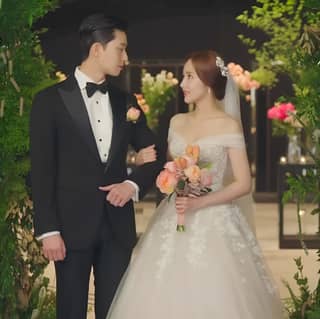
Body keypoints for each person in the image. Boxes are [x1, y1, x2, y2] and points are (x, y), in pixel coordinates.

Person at [105, 50, 284, 319]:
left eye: (189, 76)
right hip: (174, 215)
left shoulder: (228, 125)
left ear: (209, 81)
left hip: (215, 218)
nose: (182, 83)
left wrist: (201, 201)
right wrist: (156, 166)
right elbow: (170, 167)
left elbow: (244, 183)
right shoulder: (177, 122)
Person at [29, 13, 164, 319]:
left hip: (117, 229)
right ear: (96, 50)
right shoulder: (49, 101)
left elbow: (155, 150)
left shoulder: (124, 100)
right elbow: (42, 170)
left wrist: (132, 184)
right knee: (71, 311)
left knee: (114, 312)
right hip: (69, 229)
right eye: (121, 49)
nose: (126, 58)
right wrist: (48, 230)